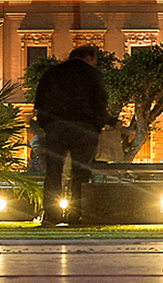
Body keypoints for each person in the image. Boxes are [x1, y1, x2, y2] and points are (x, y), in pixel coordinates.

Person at [33, 46, 115, 226]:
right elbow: (100, 102)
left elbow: (40, 101)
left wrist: (45, 124)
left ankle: (52, 216)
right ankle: (75, 216)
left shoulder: (52, 73)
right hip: (84, 128)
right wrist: (100, 124)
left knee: (53, 172)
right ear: (89, 57)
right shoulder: (92, 74)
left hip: (56, 127)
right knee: (81, 173)